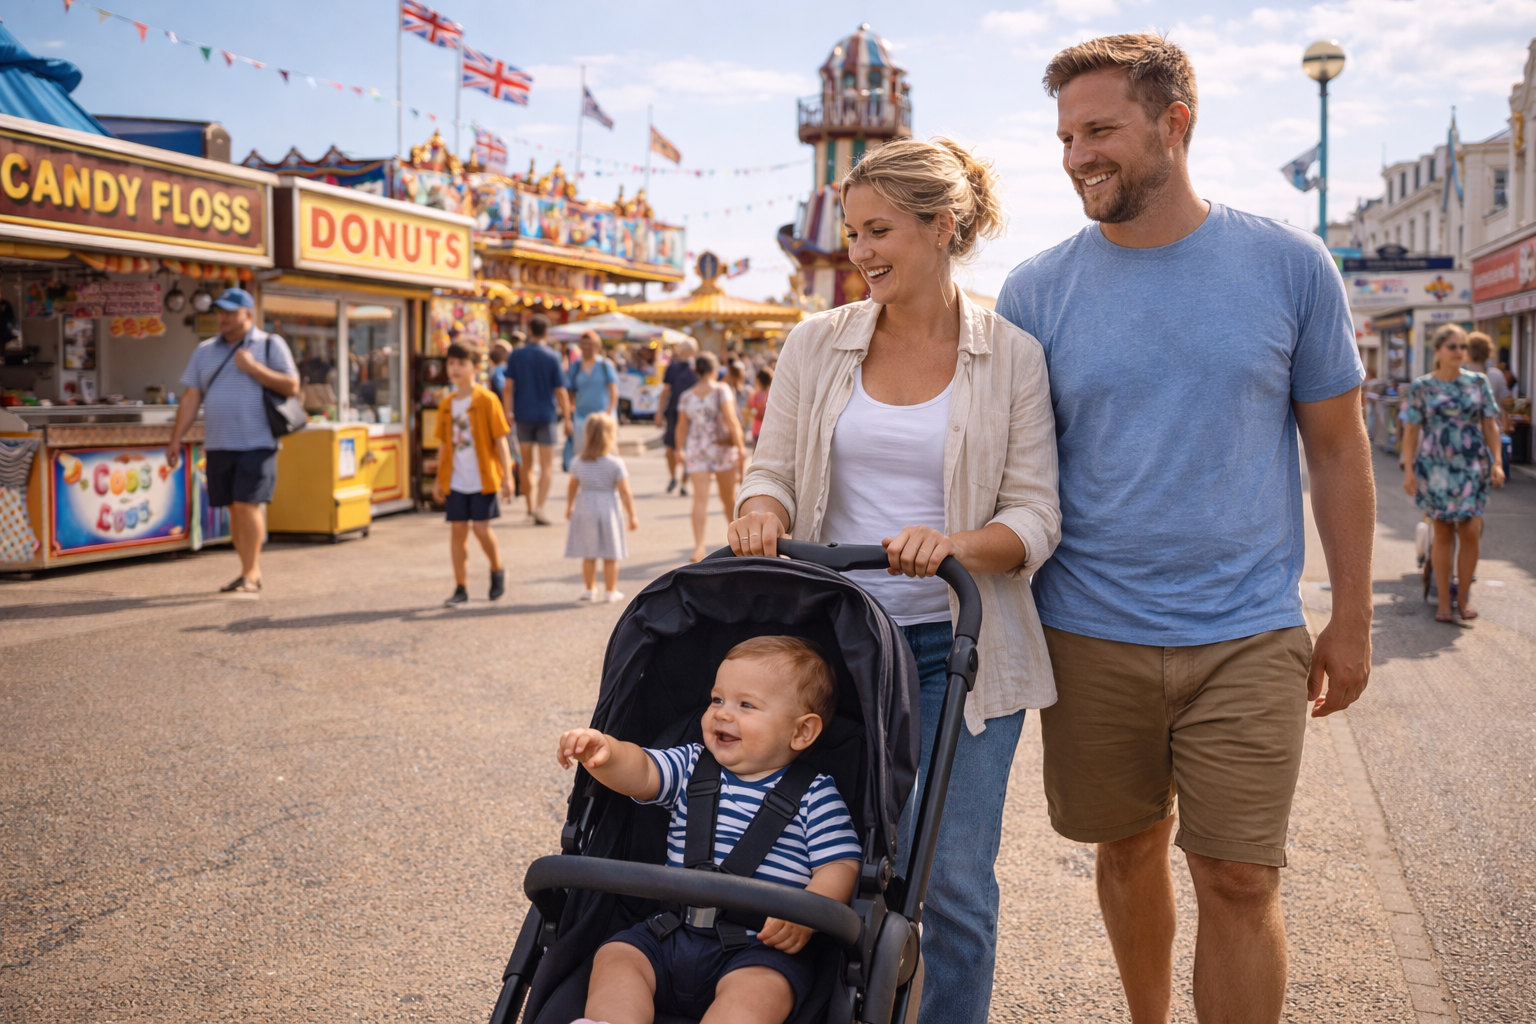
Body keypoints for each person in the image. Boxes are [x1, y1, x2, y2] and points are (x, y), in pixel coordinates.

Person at [995, 34, 1375, 1024]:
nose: (1078, 154)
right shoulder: (1036, 291)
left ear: (1175, 124)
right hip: (1087, 633)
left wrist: (1352, 618)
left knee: (1241, 877)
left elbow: (1338, 452)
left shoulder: (1291, 265)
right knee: (1124, 851)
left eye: (1101, 128)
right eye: (1068, 134)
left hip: (1248, 631)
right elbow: (1005, 467)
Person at [730, 136, 1060, 1024]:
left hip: (962, 650)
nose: (859, 253)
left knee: (948, 877)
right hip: (833, 644)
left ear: (940, 227)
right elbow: (771, 471)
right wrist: (761, 509)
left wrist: (953, 542)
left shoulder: (1012, 357)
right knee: (829, 862)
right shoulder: (816, 343)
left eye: (879, 231)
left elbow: (1036, 518)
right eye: (851, 233)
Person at [557, 635, 862, 1024]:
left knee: (761, 991)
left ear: (802, 732)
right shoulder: (691, 766)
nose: (721, 713)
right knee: (617, 957)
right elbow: (644, 771)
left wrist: (808, 911)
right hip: (668, 933)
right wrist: (606, 752)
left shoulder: (815, 795)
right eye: (716, 699)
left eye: (745, 705)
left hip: (759, 950)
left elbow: (841, 864)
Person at [166, 288, 300, 596]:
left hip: (258, 440)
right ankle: (245, 569)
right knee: (232, 508)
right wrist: (176, 439)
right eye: (220, 312)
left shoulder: (269, 344)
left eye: (230, 312)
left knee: (246, 504)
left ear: (248, 314)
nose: (223, 318)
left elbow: (292, 385)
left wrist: (255, 369)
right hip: (218, 443)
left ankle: (252, 572)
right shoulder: (204, 351)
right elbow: (190, 398)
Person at [1401, 324, 1505, 623]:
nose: (1459, 351)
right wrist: (1408, 470)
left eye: (1462, 347)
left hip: (1471, 464)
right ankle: (1444, 602)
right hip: (1436, 467)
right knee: (1443, 532)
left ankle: (1463, 599)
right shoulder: (1422, 386)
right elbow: (1410, 430)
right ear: (1437, 352)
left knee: (1471, 530)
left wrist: (1497, 461)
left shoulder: (1478, 382)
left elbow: (1490, 425)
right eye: (1452, 346)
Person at [432, 342, 515, 607]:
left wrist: (508, 476)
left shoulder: (487, 399)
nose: (454, 369)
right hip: (455, 479)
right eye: (451, 363)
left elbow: (501, 439)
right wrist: (437, 479)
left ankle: (497, 569)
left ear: (475, 368)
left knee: (481, 528)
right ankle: (460, 586)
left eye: (461, 363)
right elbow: (444, 445)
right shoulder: (446, 404)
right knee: (458, 530)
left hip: (484, 477)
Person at [676, 351, 746, 563]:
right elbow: (731, 419)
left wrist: (679, 449)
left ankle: (699, 547)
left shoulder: (686, 396)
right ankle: (740, 543)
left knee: (700, 499)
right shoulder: (722, 389)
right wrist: (741, 447)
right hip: (720, 448)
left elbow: (681, 427)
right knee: (729, 498)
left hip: (697, 449)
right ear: (715, 370)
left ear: (696, 371)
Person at [565, 412, 638, 604]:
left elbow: (573, 485)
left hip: (585, 505)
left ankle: (589, 589)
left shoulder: (578, 461)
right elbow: (624, 492)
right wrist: (632, 515)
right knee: (610, 552)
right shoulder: (615, 464)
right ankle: (610, 591)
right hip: (608, 508)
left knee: (589, 552)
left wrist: (569, 506)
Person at [505, 315, 570, 525]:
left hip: (522, 415)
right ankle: (540, 508)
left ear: (529, 331)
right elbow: (561, 391)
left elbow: (508, 387)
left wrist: (508, 413)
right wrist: (567, 417)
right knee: (546, 466)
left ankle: (530, 507)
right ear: (547, 332)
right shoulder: (553, 356)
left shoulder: (516, 355)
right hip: (546, 415)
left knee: (526, 465)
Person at [567, 329, 620, 469]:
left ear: (596, 346)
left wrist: (609, 412)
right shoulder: (576, 366)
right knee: (582, 453)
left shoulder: (605, 365)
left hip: (602, 415)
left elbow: (613, 390)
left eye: (590, 345)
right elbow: (570, 392)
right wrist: (569, 415)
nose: (586, 349)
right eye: (583, 345)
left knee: (607, 451)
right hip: (581, 416)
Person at [655, 339, 699, 496]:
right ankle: (673, 477)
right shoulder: (672, 368)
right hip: (673, 413)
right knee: (670, 448)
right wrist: (659, 412)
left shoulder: (698, 368)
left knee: (689, 449)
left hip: (692, 415)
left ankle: (684, 482)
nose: (681, 353)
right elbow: (665, 391)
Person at [748, 367, 773, 444]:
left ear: (758, 380)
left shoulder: (754, 396)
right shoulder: (771, 396)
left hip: (757, 428)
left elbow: (750, 410)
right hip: (770, 429)